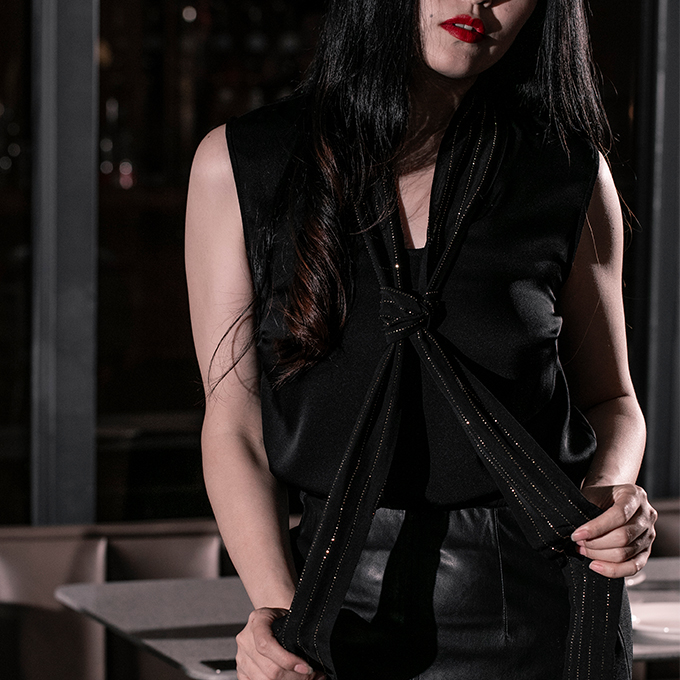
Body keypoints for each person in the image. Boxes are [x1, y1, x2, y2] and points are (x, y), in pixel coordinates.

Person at [185, 1, 658, 678]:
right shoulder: (242, 163)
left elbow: (612, 399)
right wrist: (280, 612)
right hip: (332, 603)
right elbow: (234, 420)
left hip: (540, 604)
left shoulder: (567, 171)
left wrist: (613, 494)